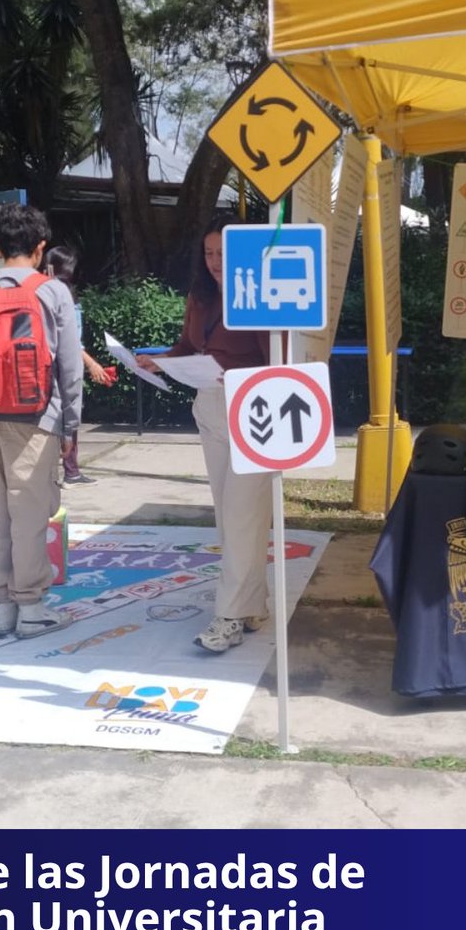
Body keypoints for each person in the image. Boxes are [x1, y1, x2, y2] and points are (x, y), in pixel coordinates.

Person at [138, 211, 272, 655]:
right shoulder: (200, 294)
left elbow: (277, 358)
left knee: (242, 515)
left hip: (254, 410)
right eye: (209, 252)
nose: (216, 261)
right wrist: (161, 360)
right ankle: (252, 605)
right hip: (211, 408)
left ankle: (230, 615)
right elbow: (188, 345)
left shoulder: (262, 296)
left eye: (225, 253)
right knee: (230, 516)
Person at [0, 203, 83, 639]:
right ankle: (32, 609)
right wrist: (70, 426)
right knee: (28, 514)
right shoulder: (53, 292)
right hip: (36, 418)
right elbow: (69, 368)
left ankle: (1, 608)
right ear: (41, 247)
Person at [44, 245, 111, 486]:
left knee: (66, 416)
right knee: (63, 416)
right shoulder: (54, 294)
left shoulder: (60, 293)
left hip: (65, 362)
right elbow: (69, 341)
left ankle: (70, 469)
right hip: (60, 366)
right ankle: (64, 471)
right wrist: (92, 364)